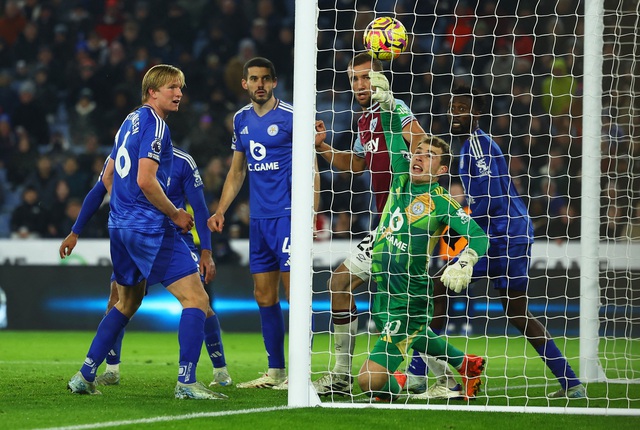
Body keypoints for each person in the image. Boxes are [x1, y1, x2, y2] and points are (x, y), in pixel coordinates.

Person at [65, 64, 226, 400]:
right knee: (196, 299)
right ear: (152, 91)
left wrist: (87, 225)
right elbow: (144, 180)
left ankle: (85, 375)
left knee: (126, 302)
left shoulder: (128, 122)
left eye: (180, 87)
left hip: (119, 227)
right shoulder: (156, 125)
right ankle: (186, 382)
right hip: (149, 228)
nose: (179, 93)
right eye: (171, 87)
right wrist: (176, 213)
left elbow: (108, 178)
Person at [313, 52, 457, 397]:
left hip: (410, 220)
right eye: (354, 79)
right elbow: (358, 163)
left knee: (396, 303)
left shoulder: (397, 109)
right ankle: (344, 375)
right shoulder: (364, 120)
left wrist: (391, 104)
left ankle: (449, 378)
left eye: (366, 77)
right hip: (385, 223)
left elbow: (422, 141)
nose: (360, 85)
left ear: (380, 80)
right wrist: (323, 148)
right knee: (341, 284)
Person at [432, 85, 585, 399]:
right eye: (453, 108)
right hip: (502, 232)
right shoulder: (469, 148)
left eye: (462, 108)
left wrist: (458, 220)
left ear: (476, 113)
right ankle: (571, 383)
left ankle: (426, 377)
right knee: (512, 310)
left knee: (444, 289)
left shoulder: (476, 146)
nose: (455, 114)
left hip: (505, 235)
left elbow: (489, 198)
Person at [357, 73, 489, 401]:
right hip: (384, 285)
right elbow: (392, 134)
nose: (419, 157)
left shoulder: (442, 202)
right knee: (418, 337)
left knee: (368, 381)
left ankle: (391, 386)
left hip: (408, 296)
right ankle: (466, 364)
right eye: (419, 152)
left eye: (429, 156)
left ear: (442, 170)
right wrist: (386, 104)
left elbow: (478, 236)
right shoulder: (401, 180)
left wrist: (466, 260)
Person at [59, 146, 233, 389]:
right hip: (141, 237)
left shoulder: (181, 161)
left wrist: (206, 250)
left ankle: (220, 370)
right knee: (120, 300)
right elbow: (99, 189)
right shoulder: (128, 155)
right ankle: (112, 370)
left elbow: (200, 207)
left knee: (199, 303)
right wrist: (75, 231)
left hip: (173, 239)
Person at [207, 57, 319, 390]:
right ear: (244, 83)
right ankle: (276, 371)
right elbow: (237, 171)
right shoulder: (241, 120)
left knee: (294, 294)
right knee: (263, 295)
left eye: (265, 79)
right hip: (259, 221)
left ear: (274, 83)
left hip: (288, 217)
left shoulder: (291, 116)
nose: (260, 84)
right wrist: (221, 209)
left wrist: (311, 214)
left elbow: (310, 167)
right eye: (254, 79)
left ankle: (302, 372)